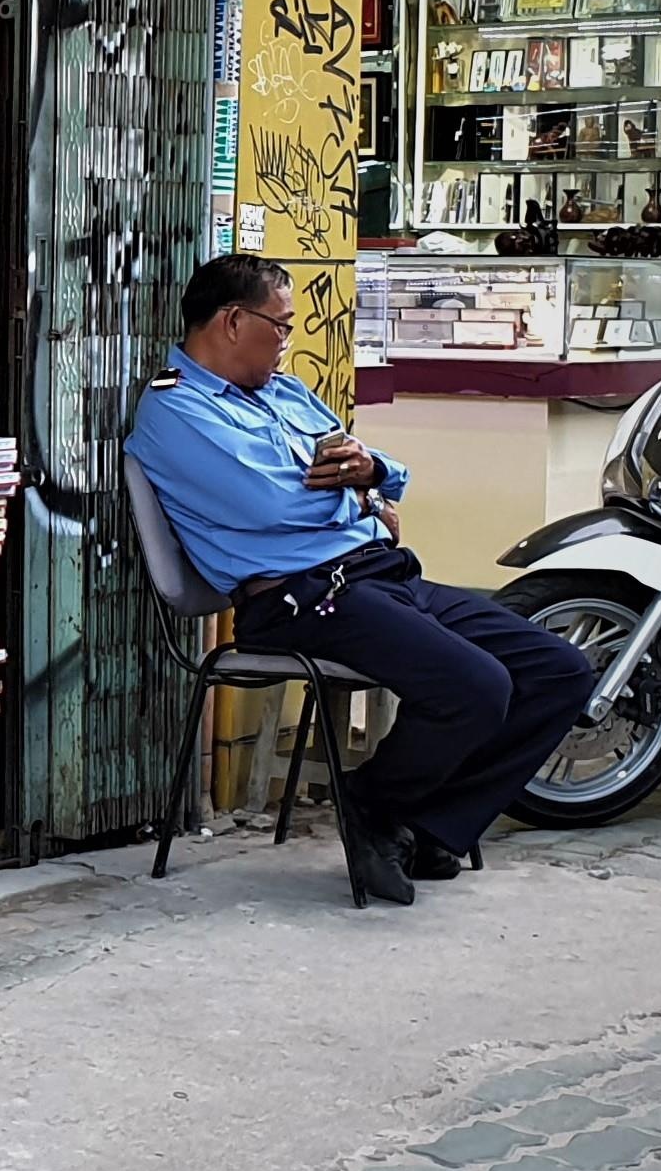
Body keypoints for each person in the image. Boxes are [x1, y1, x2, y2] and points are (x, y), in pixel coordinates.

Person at [126, 255, 594, 905]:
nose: (287, 340)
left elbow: (377, 469)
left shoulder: (282, 393)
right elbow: (274, 508)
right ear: (233, 321)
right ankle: (370, 803)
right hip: (301, 596)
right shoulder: (177, 412)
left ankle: (432, 824)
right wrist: (365, 500)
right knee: (475, 687)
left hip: (378, 575)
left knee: (558, 669)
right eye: (280, 326)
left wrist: (368, 477)